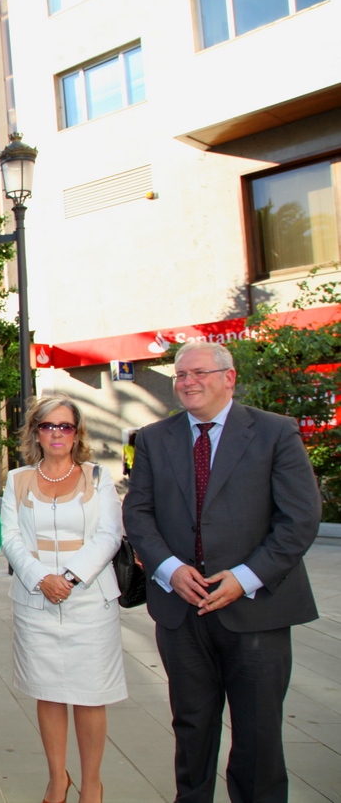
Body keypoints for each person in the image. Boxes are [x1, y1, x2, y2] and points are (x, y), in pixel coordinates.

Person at [123, 341, 320, 803]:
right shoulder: (152, 438)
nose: (188, 382)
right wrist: (170, 570)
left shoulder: (275, 433)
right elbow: (139, 514)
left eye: (199, 373)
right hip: (181, 611)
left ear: (228, 377)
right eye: (180, 375)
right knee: (191, 728)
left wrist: (245, 578)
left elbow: (299, 520)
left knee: (258, 734)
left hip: (256, 611)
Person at [0, 396, 126, 803]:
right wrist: (41, 578)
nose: (57, 433)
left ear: (77, 433)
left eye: (65, 426)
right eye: (48, 426)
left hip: (89, 601)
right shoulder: (17, 478)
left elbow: (110, 535)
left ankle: (92, 784)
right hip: (36, 602)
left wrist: (69, 577)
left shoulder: (97, 476)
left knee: (90, 696)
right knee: (48, 691)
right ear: (35, 431)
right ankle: (58, 780)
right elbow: (10, 538)